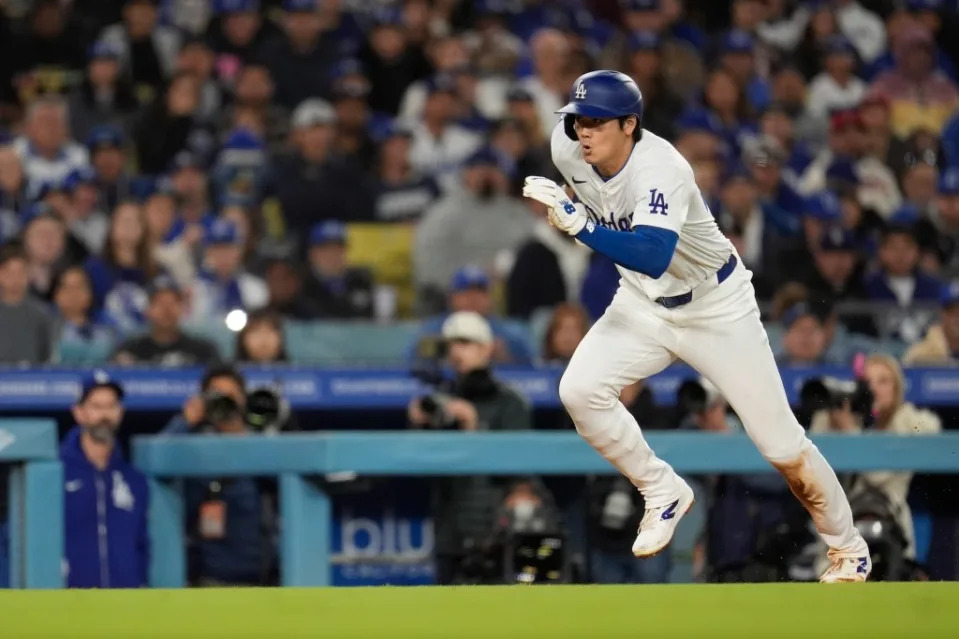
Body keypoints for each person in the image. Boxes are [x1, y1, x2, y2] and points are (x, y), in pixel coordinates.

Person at [522, 70, 871, 582]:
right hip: (642, 304)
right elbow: (643, 269)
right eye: (576, 121)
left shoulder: (661, 167)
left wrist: (582, 226)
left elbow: (654, 253)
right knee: (578, 390)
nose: (583, 132)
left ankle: (849, 548)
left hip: (715, 305)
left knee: (780, 445)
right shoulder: (567, 148)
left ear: (629, 124)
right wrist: (585, 223)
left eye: (596, 122)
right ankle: (661, 488)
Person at [809, 355, 941, 564]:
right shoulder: (845, 419)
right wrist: (833, 419)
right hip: (843, 531)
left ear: (897, 388)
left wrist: (851, 433)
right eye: (868, 382)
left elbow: (877, 476)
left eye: (883, 381)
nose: (875, 389)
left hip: (891, 530)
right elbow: (812, 470)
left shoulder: (907, 421)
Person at [163, 365, 278, 585]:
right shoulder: (191, 445)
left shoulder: (262, 442)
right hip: (210, 577)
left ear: (243, 399)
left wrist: (243, 432)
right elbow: (158, 460)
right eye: (216, 396)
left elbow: (286, 471)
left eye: (231, 396)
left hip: (262, 575)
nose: (224, 402)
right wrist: (184, 420)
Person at [61, 370, 149, 588]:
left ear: (120, 412)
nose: (105, 415)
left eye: (111, 406)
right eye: (96, 407)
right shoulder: (55, 473)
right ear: (79, 413)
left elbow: (143, 543)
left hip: (125, 602)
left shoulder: (134, 478)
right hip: (67, 600)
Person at [112, 276, 220, 366]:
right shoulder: (129, 351)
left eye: (173, 303)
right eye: (159, 303)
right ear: (147, 310)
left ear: (183, 308)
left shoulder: (203, 351)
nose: (167, 310)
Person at [0, 242, 54, 364]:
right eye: (9, 273)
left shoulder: (41, 314)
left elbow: (46, 355)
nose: (15, 279)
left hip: (32, 379)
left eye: (21, 272)